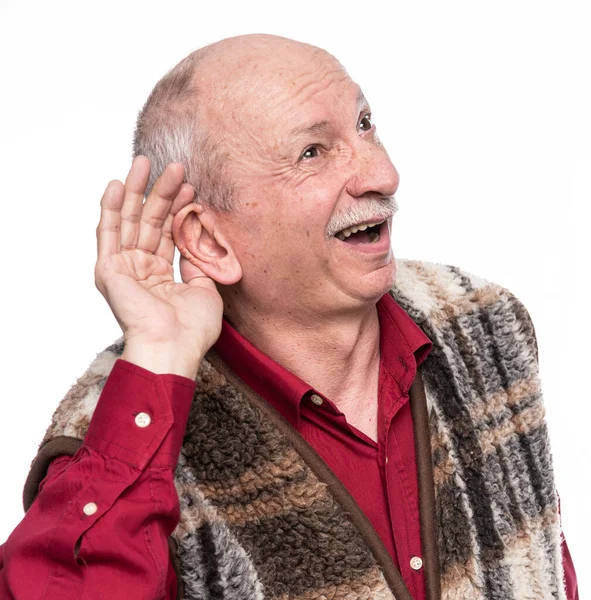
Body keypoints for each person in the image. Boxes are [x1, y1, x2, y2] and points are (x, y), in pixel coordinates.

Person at [0, 34, 578, 600]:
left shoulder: (482, 324)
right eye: (312, 152)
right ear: (209, 241)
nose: (382, 175)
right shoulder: (121, 431)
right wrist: (160, 353)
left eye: (364, 124)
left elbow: (541, 565)